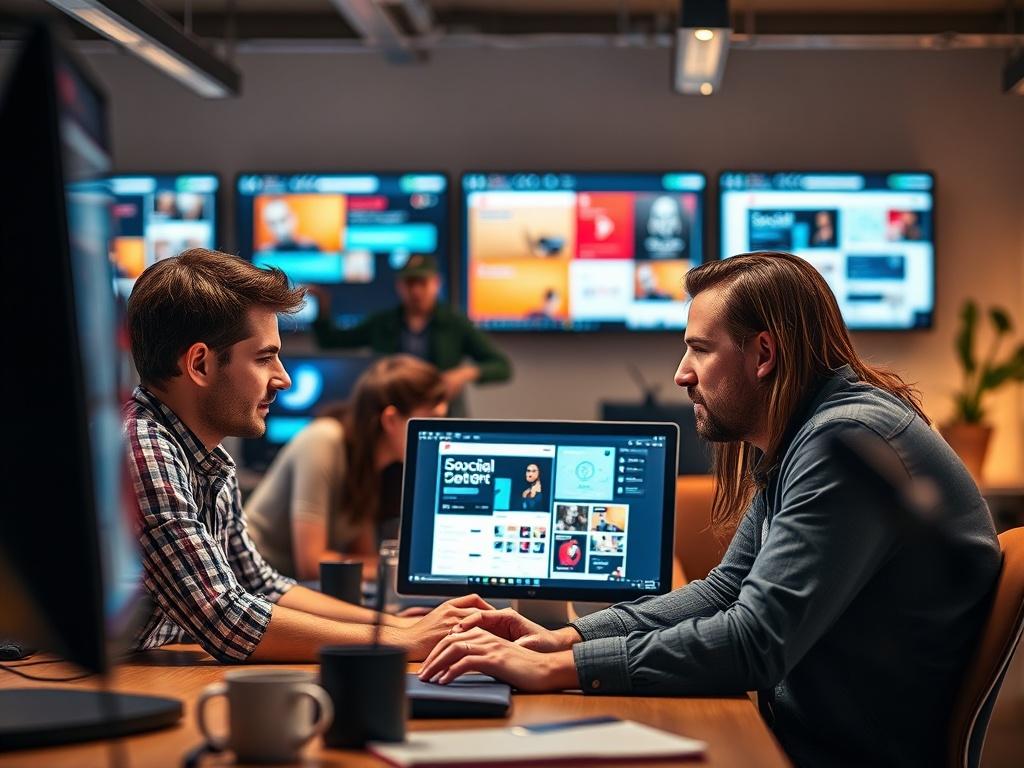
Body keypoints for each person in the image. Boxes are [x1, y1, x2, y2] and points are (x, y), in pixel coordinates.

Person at [418, 251, 1002, 767]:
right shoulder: (811, 434)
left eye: (699, 348)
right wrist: (566, 639)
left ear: (764, 354)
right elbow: (726, 590)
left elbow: (753, 642)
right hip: (803, 738)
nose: (681, 373)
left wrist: (559, 669)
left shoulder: (845, 444)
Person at [124, 247, 489, 664]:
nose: (283, 378)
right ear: (201, 365)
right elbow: (225, 619)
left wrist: (393, 626)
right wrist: (402, 641)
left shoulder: (207, 457)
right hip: (86, 681)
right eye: (265, 358)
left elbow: (259, 584)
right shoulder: (143, 448)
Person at [245, 355, 448, 581]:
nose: (439, 433)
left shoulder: (371, 467)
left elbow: (362, 555)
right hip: (251, 581)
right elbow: (311, 564)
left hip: (291, 585)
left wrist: (396, 568)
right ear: (391, 420)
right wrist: (401, 569)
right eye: (433, 419)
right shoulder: (323, 440)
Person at [310, 253, 511, 416]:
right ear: (400, 286)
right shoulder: (383, 323)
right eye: (409, 283)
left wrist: (465, 374)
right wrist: (322, 308)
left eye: (422, 282)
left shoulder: (454, 323)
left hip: (443, 415)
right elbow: (330, 342)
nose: (416, 291)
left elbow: (502, 366)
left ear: (436, 283)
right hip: (391, 414)